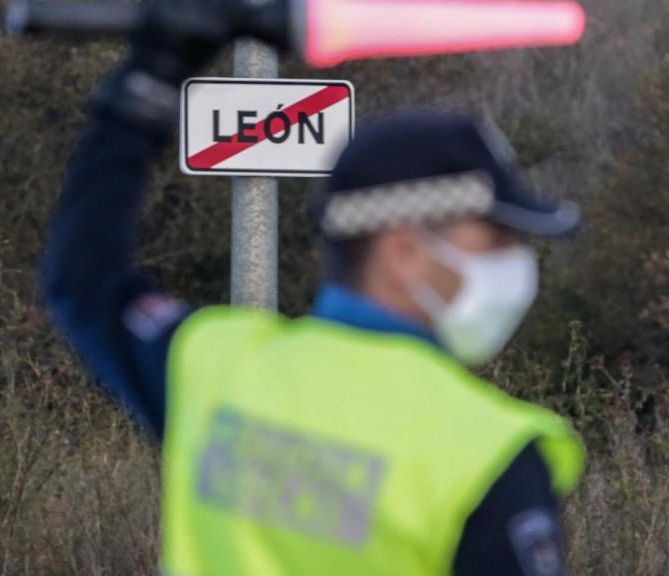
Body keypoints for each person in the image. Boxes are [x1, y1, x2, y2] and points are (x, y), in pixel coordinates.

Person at [41, 1, 585, 574]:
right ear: (403, 251)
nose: (516, 265)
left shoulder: (214, 368)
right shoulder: (485, 455)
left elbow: (81, 279)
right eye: (496, 239)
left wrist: (147, 83)